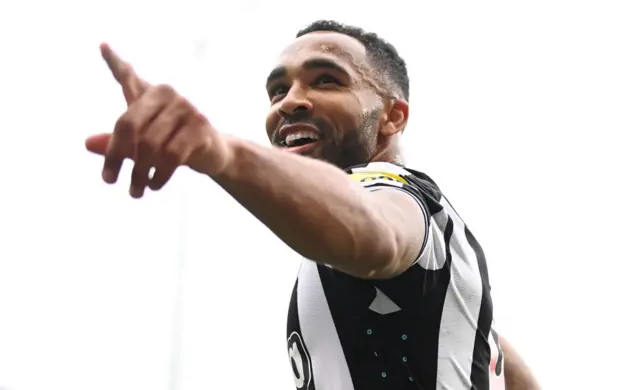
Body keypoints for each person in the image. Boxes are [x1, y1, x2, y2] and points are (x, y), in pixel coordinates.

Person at [86, 20, 540, 390]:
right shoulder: (449, 291)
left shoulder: (394, 191)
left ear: (393, 116)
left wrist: (219, 153)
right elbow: (492, 354)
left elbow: (377, 234)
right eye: (277, 90)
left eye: (327, 80)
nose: (290, 102)